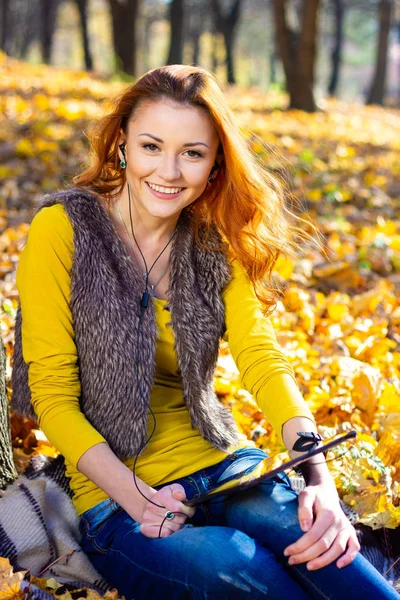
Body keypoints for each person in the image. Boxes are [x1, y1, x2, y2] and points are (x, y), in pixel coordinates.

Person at [11, 64, 399, 600]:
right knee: (246, 572)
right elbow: (53, 398)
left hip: (225, 467)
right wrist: (138, 498)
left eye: (192, 153)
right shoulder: (61, 230)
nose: (168, 171)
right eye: (151, 146)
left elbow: (261, 357)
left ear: (216, 162)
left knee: (334, 555)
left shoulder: (214, 244)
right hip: (116, 498)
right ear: (122, 144)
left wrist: (319, 480)